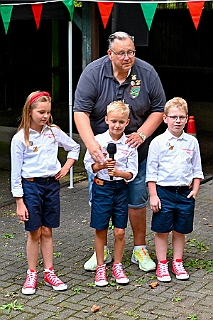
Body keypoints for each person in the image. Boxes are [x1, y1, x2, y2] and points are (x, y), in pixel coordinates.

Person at [74, 31, 166, 272]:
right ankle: (101, 250)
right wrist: (92, 146)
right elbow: (80, 111)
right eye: (122, 53)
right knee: (100, 201)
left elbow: (159, 108)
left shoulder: (147, 73)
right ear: (110, 54)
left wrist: (142, 134)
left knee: (137, 199)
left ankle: (139, 249)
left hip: (136, 151)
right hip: (102, 151)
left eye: (131, 52)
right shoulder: (93, 73)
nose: (128, 57)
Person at [11, 91, 80, 295]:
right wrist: (19, 202)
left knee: (48, 230)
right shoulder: (20, 138)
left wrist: (67, 167)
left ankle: (49, 271)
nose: (45, 116)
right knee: (34, 231)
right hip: (31, 187)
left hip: (51, 186)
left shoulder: (54, 132)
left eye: (48, 112)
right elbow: (15, 173)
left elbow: (74, 147)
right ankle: (32, 273)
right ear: (29, 111)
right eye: (41, 112)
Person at [146, 97, 204, 282]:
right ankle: (162, 264)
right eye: (173, 117)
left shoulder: (191, 142)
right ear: (165, 118)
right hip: (164, 192)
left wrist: (195, 190)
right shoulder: (158, 142)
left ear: (187, 119)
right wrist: (153, 195)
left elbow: (197, 169)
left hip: (185, 193)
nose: (177, 121)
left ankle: (177, 262)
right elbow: (151, 172)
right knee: (162, 230)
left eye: (181, 117)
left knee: (180, 230)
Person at [84, 101, 138, 286]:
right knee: (100, 228)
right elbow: (88, 165)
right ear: (106, 119)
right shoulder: (97, 140)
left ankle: (117, 265)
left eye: (121, 122)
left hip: (121, 189)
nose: (117, 125)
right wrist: (102, 165)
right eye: (113, 121)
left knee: (120, 231)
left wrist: (120, 173)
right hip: (102, 188)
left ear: (127, 122)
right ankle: (100, 267)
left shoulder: (130, 144)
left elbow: (133, 172)